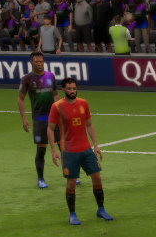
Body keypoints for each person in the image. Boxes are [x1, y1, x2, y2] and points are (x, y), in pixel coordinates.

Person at [47, 77, 110, 225]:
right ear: (63, 90)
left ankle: (101, 209)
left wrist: (95, 144)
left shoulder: (83, 103)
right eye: (69, 89)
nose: (72, 91)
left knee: (97, 178)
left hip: (86, 149)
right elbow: (50, 129)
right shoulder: (57, 106)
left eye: (74, 88)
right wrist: (53, 150)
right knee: (71, 183)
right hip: (69, 150)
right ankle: (72, 214)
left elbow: (89, 124)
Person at [17, 51, 59, 189]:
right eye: (37, 62)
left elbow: (56, 94)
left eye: (41, 61)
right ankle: (40, 179)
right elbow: (20, 99)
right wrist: (24, 118)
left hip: (53, 119)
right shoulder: (27, 79)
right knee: (41, 150)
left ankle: (69, 174)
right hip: (39, 119)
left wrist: (59, 110)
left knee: (63, 147)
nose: (40, 64)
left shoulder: (50, 76)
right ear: (31, 62)